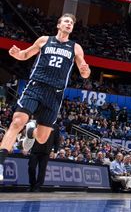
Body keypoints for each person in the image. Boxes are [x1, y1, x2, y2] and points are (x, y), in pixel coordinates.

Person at [0, 13, 91, 179]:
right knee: (17, 122)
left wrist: (86, 71)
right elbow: (25, 55)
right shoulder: (44, 40)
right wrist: (17, 54)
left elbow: (84, 72)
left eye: (71, 22)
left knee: (42, 139)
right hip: (36, 87)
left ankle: (30, 132)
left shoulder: (75, 47)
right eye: (66, 21)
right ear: (59, 24)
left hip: (55, 95)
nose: (69, 24)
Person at [27, 126, 60, 192]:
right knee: (31, 167)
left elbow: (57, 140)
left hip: (46, 151)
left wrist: (55, 151)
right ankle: (32, 184)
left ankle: (38, 186)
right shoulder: (39, 122)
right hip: (35, 149)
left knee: (42, 170)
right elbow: (31, 135)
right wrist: (26, 147)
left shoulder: (56, 127)